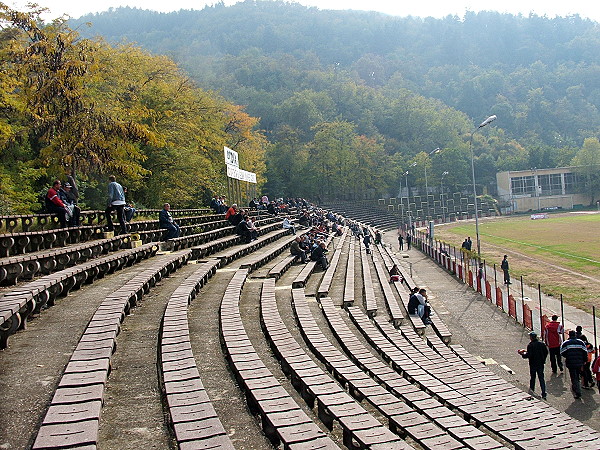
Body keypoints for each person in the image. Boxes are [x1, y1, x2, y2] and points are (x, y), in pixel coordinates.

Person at [518, 331, 549, 399]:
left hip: (533, 364)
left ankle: (532, 390)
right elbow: (546, 352)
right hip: (540, 363)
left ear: (531, 337)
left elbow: (529, 355)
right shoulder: (542, 344)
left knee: (533, 377)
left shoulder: (530, 345)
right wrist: (543, 359)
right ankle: (544, 393)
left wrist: (522, 354)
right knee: (541, 378)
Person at [560, 330, 588, 399]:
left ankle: (577, 391)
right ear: (575, 335)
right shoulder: (581, 343)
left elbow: (562, 352)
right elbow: (585, 352)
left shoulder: (566, 343)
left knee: (573, 377)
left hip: (570, 363)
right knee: (577, 376)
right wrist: (584, 360)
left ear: (569, 335)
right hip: (579, 362)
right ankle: (576, 388)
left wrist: (568, 356)